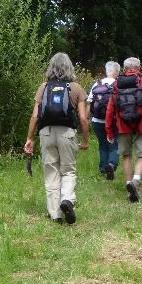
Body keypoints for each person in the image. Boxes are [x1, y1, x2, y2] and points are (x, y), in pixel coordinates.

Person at [23, 53, 89, 224]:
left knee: (51, 171)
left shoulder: (43, 87)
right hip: (67, 133)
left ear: (51, 67)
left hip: (46, 133)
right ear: (70, 67)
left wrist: (29, 138)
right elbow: (83, 118)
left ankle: (55, 215)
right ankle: (66, 199)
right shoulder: (76, 88)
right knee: (68, 170)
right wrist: (85, 140)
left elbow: (35, 116)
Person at [105, 57, 142, 203]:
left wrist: (109, 130)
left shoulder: (117, 84)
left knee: (126, 156)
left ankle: (129, 183)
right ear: (139, 68)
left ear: (124, 69)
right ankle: (136, 181)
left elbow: (110, 109)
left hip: (122, 126)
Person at [86, 61, 120, 180]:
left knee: (102, 145)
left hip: (97, 121)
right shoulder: (118, 84)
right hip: (113, 122)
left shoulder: (97, 84)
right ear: (116, 72)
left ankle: (103, 170)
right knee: (113, 145)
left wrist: (86, 119)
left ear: (106, 71)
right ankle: (111, 164)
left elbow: (90, 103)